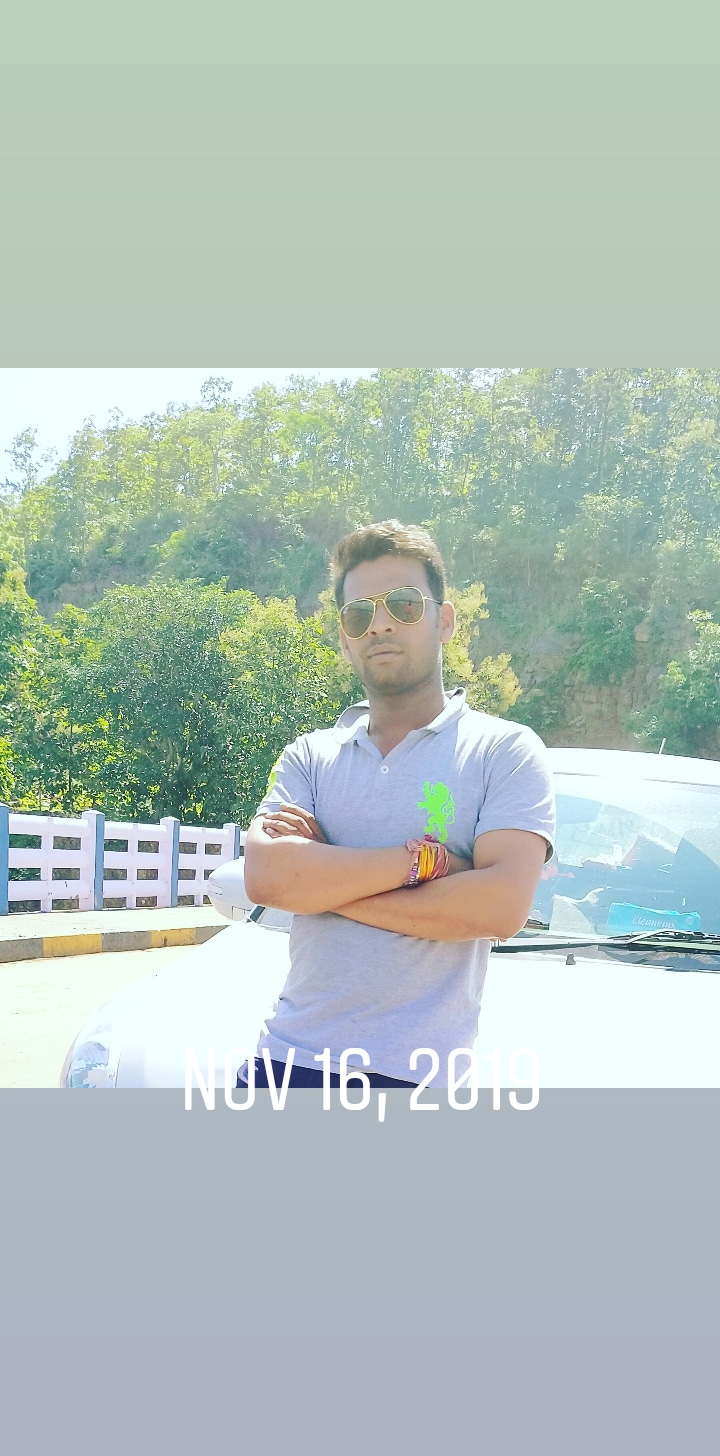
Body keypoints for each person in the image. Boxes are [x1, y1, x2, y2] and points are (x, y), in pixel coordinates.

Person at [241, 520, 556, 1090]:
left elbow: (499, 907)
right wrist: (426, 864)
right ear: (344, 639)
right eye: (358, 614)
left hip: (419, 1079)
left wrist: (324, 884)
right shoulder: (309, 755)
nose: (380, 624)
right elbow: (267, 879)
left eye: (404, 605)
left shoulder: (503, 751)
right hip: (284, 1064)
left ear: (445, 621)